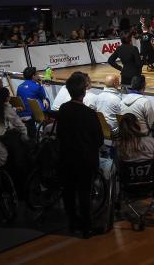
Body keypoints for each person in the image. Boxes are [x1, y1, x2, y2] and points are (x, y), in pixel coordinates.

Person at [55, 73, 103, 238]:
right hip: (85, 159)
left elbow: (59, 134)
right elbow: (99, 140)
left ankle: (72, 222)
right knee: (84, 193)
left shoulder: (63, 109)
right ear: (84, 91)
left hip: (66, 158)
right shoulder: (89, 113)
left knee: (68, 191)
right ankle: (87, 227)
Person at [16, 66, 50, 137]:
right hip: (33, 114)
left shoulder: (19, 87)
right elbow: (43, 96)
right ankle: (46, 125)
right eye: (37, 74)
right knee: (46, 100)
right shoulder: (37, 86)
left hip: (21, 113)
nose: (38, 75)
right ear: (33, 76)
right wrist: (40, 83)